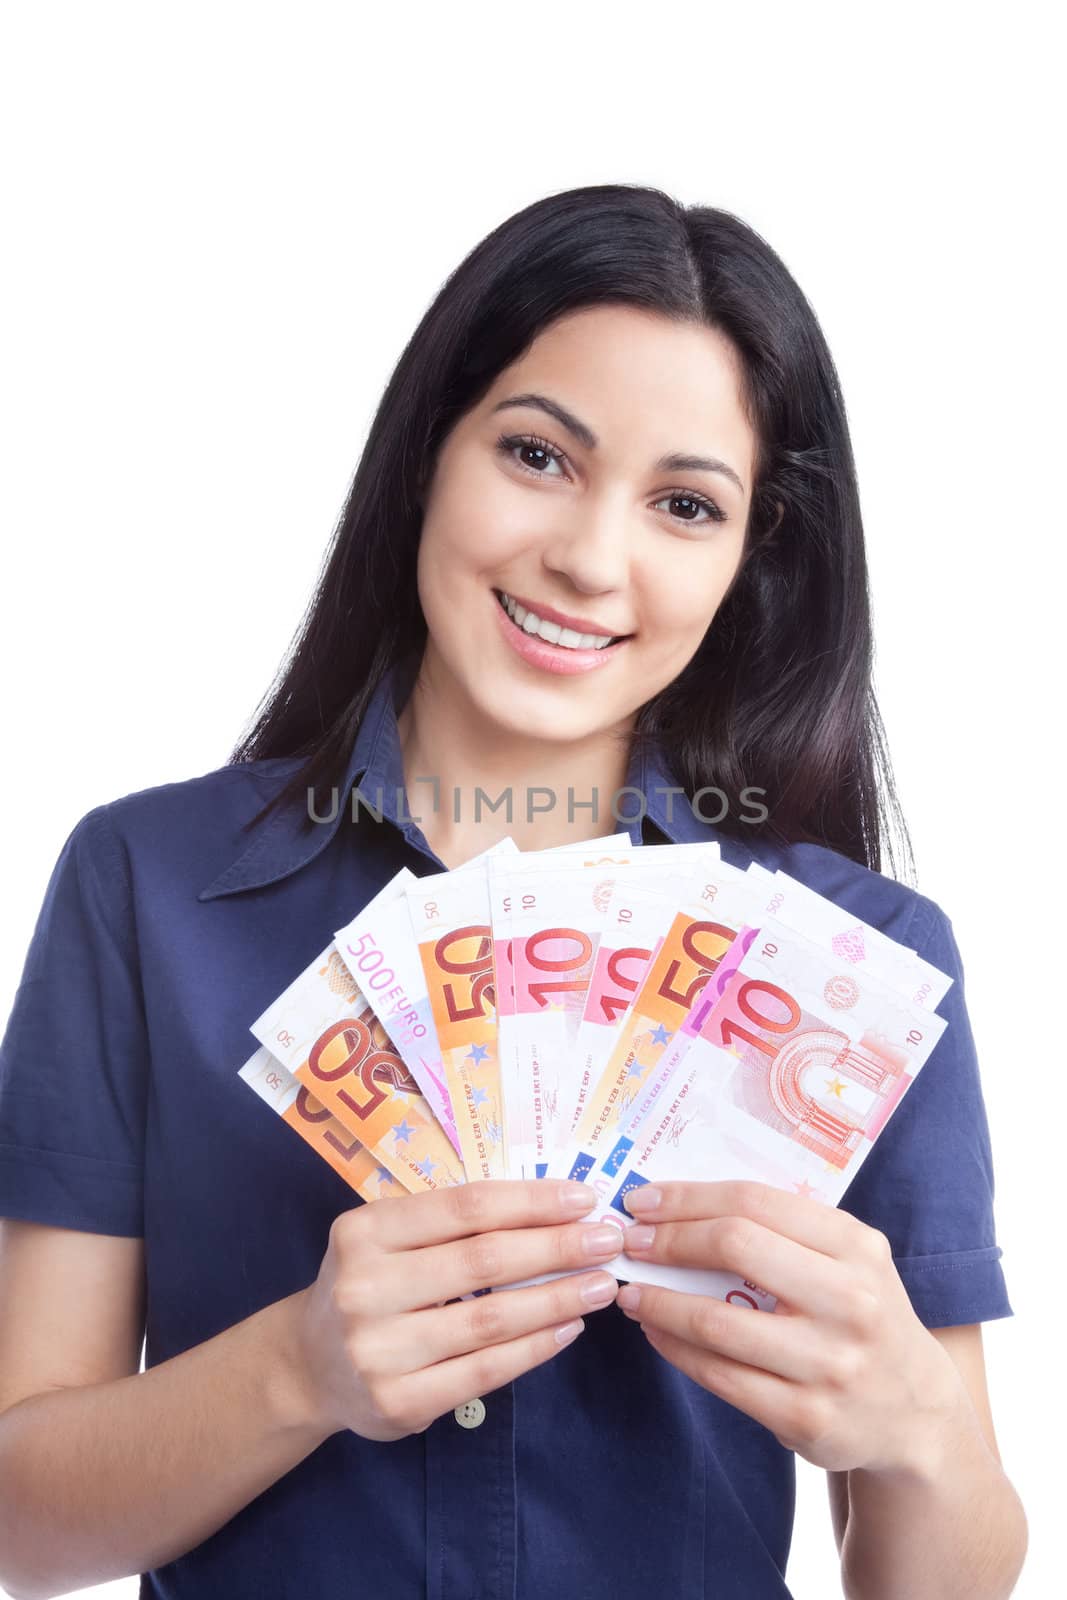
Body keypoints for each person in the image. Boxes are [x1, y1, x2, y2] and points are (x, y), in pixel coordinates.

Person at [0, 183, 1027, 1599]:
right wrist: (302, 1369)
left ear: (749, 563)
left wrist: (919, 1430)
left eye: (684, 504)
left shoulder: (859, 964)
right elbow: (18, 1524)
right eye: (539, 455)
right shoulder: (146, 890)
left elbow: (933, 1578)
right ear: (430, 451)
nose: (591, 560)